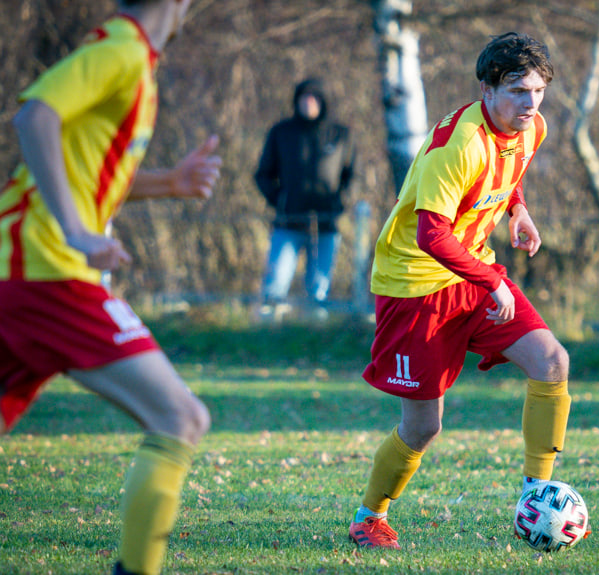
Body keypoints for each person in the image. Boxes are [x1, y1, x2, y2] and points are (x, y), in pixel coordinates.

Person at [0, 1, 221, 574]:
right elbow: (35, 116)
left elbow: (89, 174)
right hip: (45, 275)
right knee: (182, 419)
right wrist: (76, 232)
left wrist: (170, 183)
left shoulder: (134, 59)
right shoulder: (121, 50)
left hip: (24, 274)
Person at [348, 32, 575, 549]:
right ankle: (369, 516)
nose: (530, 103)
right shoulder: (459, 144)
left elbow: (509, 171)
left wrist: (518, 210)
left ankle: (536, 496)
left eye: (538, 91)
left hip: (473, 275)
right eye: (517, 90)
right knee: (425, 425)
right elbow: (430, 235)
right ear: (486, 90)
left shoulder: (531, 128)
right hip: (415, 287)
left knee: (552, 362)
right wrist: (491, 278)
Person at [254, 78, 355, 317]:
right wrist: (281, 200)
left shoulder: (340, 135)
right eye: (304, 98)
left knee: (319, 290)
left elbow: (352, 176)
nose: (308, 103)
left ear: (323, 102)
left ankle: (315, 337)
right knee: (275, 285)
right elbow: (263, 175)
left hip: (326, 225)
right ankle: (266, 336)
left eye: (314, 98)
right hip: (288, 223)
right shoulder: (282, 133)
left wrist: (338, 203)